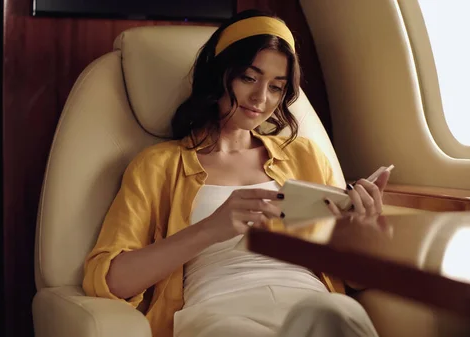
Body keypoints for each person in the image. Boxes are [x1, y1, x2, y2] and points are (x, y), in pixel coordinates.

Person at [83, 9, 390, 337]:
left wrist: (365, 232)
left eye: (276, 87)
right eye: (249, 77)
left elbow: (354, 279)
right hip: (220, 309)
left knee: (340, 311)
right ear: (220, 75)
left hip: (310, 300)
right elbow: (109, 279)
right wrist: (211, 229)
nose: (261, 98)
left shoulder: (306, 156)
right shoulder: (158, 165)